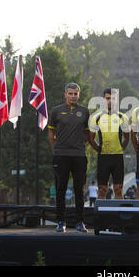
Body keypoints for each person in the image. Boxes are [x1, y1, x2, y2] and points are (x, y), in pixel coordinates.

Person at [48, 83, 90, 233]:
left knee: (80, 189)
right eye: (70, 93)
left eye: (75, 94)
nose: (73, 96)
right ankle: (61, 222)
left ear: (79, 95)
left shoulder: (85, 112)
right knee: (61, 189)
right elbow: (51, 134)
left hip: (79, 155)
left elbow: (87, 134)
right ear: (65, 94)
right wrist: (57, 149)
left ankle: (80, 222)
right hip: (61, 155)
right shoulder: (56, 111)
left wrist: (79, 145)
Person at [89, 88, 130, 200]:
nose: (110, 101)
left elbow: (127, 137)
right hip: (103, 157)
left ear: (117, 100)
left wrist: (120, 148)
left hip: (118, 157)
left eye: (113, 98)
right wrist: (100, 150)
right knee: (102, 190)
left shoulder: (123, 117)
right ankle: (101, 217)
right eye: (108, 98)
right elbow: (91, 139)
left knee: (118, 189)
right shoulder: (96, 117)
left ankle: (119, 216)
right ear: (103, 100)